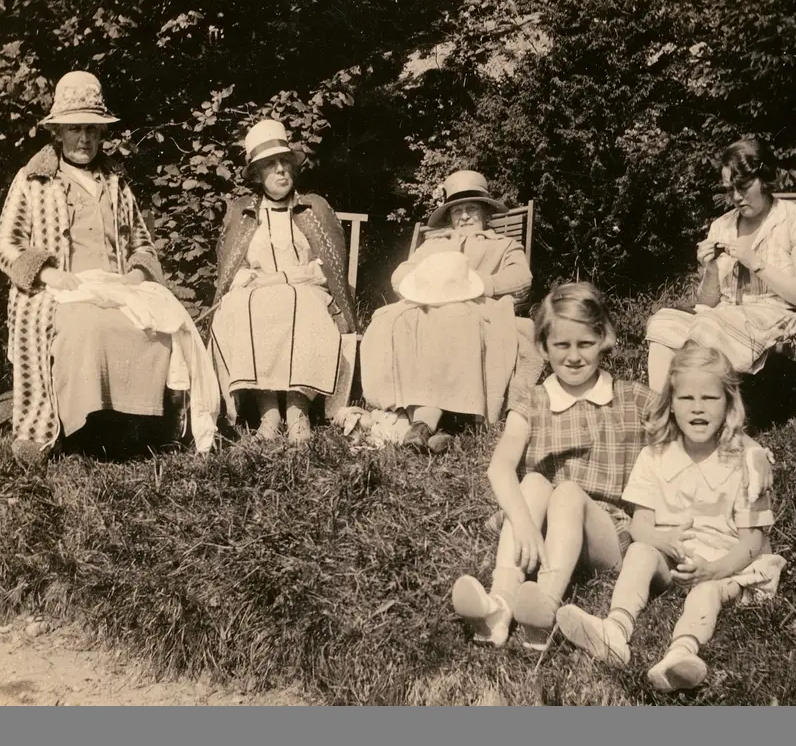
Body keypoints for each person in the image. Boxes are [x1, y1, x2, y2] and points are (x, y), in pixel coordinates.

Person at [0, 71, 217, 463]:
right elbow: (5, 245)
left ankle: (140, 429)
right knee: (88, 328)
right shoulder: (33, 180)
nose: (85, 140)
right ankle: (84, 432)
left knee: (158, 328)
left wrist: (136, 275)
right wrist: (47, 273)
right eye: (76, 129)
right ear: (59, 132)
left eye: (93, 131)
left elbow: (142, 242)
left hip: (115, 286)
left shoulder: (115, 182)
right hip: (60, 288)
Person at [555, 341, 787, 693]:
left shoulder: (745, 462)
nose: (697, 409)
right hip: (674, 559)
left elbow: (752, 542)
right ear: (671, 404)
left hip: (728, 562)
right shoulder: (655, 456)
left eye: (709, 399)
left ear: (728, 404)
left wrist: (714, 569)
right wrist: (660, 541)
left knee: (705, 593)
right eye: (686, 399)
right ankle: (615, 630)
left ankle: (681, 654)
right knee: (639, 551)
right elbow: (640, 525)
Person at [449, 283, 651, 651]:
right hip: (544, 531)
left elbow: (688, 425)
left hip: (606, 535)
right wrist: (524, 522)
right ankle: (500, 605)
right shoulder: (534, 398)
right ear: (543, 346)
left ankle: (544, 603)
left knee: (568, 493)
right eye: (562, 345)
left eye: (585, 344)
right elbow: (500, 467)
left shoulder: (632, 397)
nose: (573, 356)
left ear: (604, 339)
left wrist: (746, 447)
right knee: (536, 482)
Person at [359, 170, 542, 450]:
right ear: (450, 217)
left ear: (485, 213)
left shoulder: (502, 245)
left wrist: (477, 284)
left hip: (479, 308)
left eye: (471, 209)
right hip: (429, 305)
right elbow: (401, 276)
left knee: (454, 318)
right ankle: (443, 424)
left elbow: (522, 279)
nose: (465, 217)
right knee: (392, 320)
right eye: (458, 211)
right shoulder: (435, 245)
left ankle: (423, 422)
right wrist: (429, 284)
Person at [208, 119, 356, 445]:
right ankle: (268, 412)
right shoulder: (243, 212)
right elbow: (234, 271)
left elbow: (328, 269)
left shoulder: (313, 207)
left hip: (308, 290)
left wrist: (284, 277)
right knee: (241, 306)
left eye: (284, 162)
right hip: (257, 292)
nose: (280, 171)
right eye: (269, 165)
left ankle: (297, 409)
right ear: (257, 174)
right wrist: (255, 281)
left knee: (298, 302)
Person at [644, 138, 796, 394]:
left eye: (743, 186)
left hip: (778, 320)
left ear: (764, 179)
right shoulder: (722, 226)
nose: (736, 197)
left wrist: (757, 263)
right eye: (730, 189)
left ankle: (692, 412)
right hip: (723, 317)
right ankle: (660, 411)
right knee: (663, 322)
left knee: (706, 327)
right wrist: (712, 270)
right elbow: (707, 303)